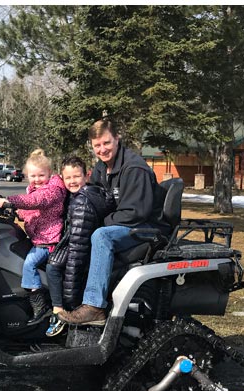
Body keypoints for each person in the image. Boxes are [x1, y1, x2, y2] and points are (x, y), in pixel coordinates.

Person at [57, 119, 168, 326]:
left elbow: (136, 212)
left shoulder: (134, 168)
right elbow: (94, 199)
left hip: (148, 228)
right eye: (97, 145)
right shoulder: (101, 168)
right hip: (126, 223)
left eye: (106, 143)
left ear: (117, 139)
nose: (102, 149)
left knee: (101, 236)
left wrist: (100, 224)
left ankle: (94, 306)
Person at [0, 149, 67, 325]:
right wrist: (14, 212)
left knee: (29, 263)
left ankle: (40, 306)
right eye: (33, 176)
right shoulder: (35, 189)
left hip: (49, 240)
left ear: (49, 173)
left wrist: (10, 200)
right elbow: (32, 211)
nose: (37, 179)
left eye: (41, 175)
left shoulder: (52, 190)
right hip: (39, 238)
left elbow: (35, 202)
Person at [44, 156, 111, 337]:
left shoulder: (82, 202)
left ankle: (58, 312)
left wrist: (71, 300)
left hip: (85, 252)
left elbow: (78, 250)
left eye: (76, 177)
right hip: (80, 247)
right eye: (68, 178)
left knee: (52, 267)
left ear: (87, 176)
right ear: (61, 178)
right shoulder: (75, 196)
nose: (72, 181)